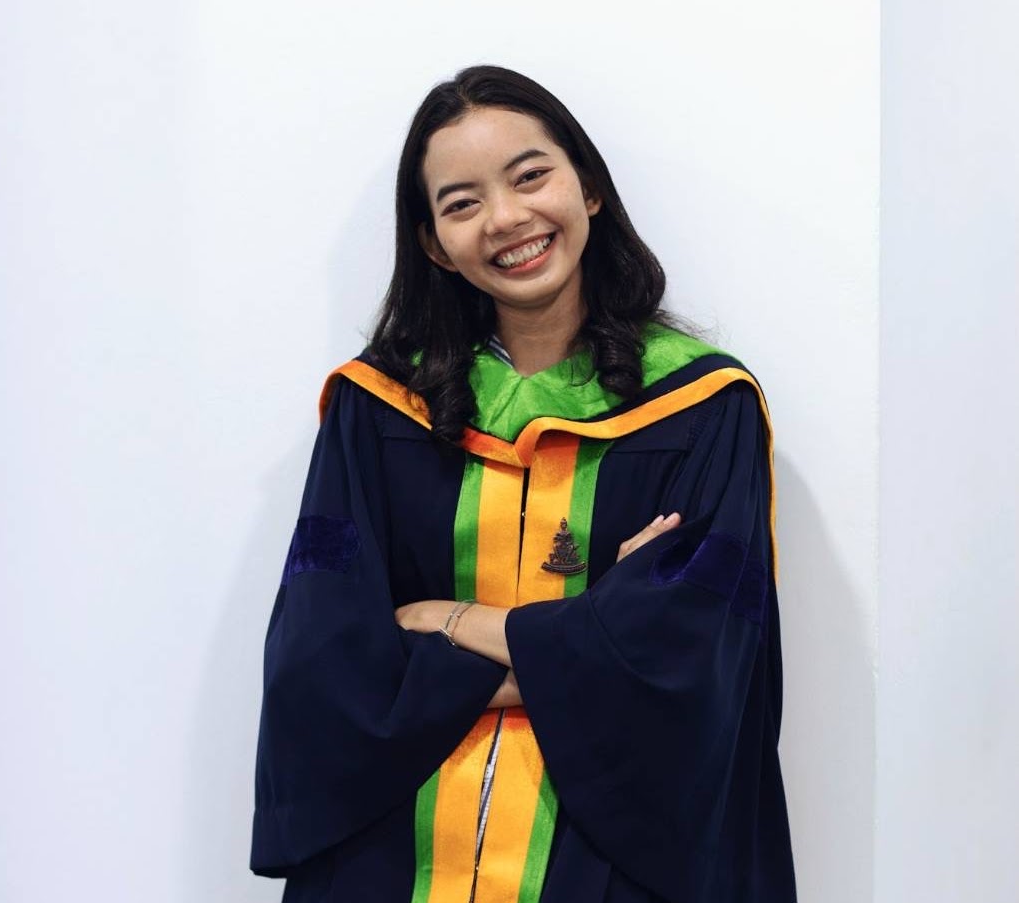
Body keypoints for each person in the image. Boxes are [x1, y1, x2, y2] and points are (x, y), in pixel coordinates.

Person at [251, 65, 796, 903]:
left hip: (609, 867)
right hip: (390, 862)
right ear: (435, 243)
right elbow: (322, 666)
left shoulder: (701, 410)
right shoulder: (378, 409)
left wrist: (448, 623)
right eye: (462, 202)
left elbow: (696, 663)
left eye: (530, 175)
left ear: (589, 189)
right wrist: (592, 640)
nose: (506, 218)